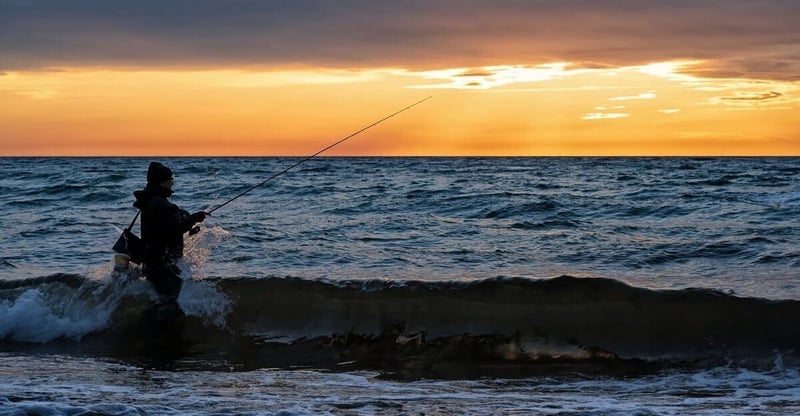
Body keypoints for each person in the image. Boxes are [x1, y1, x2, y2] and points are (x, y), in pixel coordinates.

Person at [133, 162, 208, 314]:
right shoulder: (160, 204)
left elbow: (167, 224)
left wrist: (185, 216)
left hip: (153, 261)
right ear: (162, 181)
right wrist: (194, 218)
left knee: (162, 301)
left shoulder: (150, 201)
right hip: (162, 264)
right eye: (170, 179)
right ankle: (162, 333)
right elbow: (175, 229)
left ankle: (153, 331)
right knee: (170, 304)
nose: (172, 182)